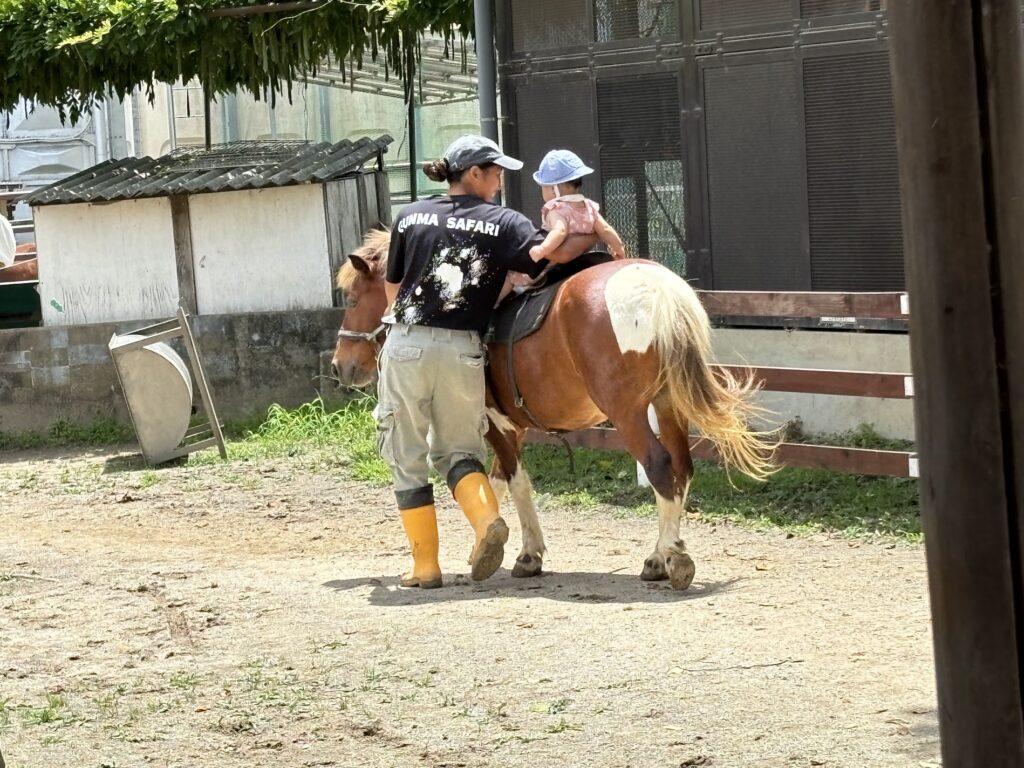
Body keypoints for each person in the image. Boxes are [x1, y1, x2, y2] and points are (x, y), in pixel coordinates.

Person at [380, 134, 595, 589]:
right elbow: (553, 253)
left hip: (407, 343)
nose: (500, 181)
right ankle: (485, 523)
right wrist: (592, 223)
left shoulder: (409, 215)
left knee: (408, 456)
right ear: (473, 173)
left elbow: (392, 288)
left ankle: (425, 566)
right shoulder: (506, 222)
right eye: (496, 172)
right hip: (463, 349)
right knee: (461, 451)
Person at [501, 149, 626, 299]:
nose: (542, 191)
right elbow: (605, 229)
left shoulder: (556, 209)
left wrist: (542, 249)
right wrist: (619, 249)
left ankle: (494, 306)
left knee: (510, 276)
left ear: (554, 189)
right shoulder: (589, 207)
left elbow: (560, 231)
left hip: (551, 261)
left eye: (543, 186)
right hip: (582, 254)